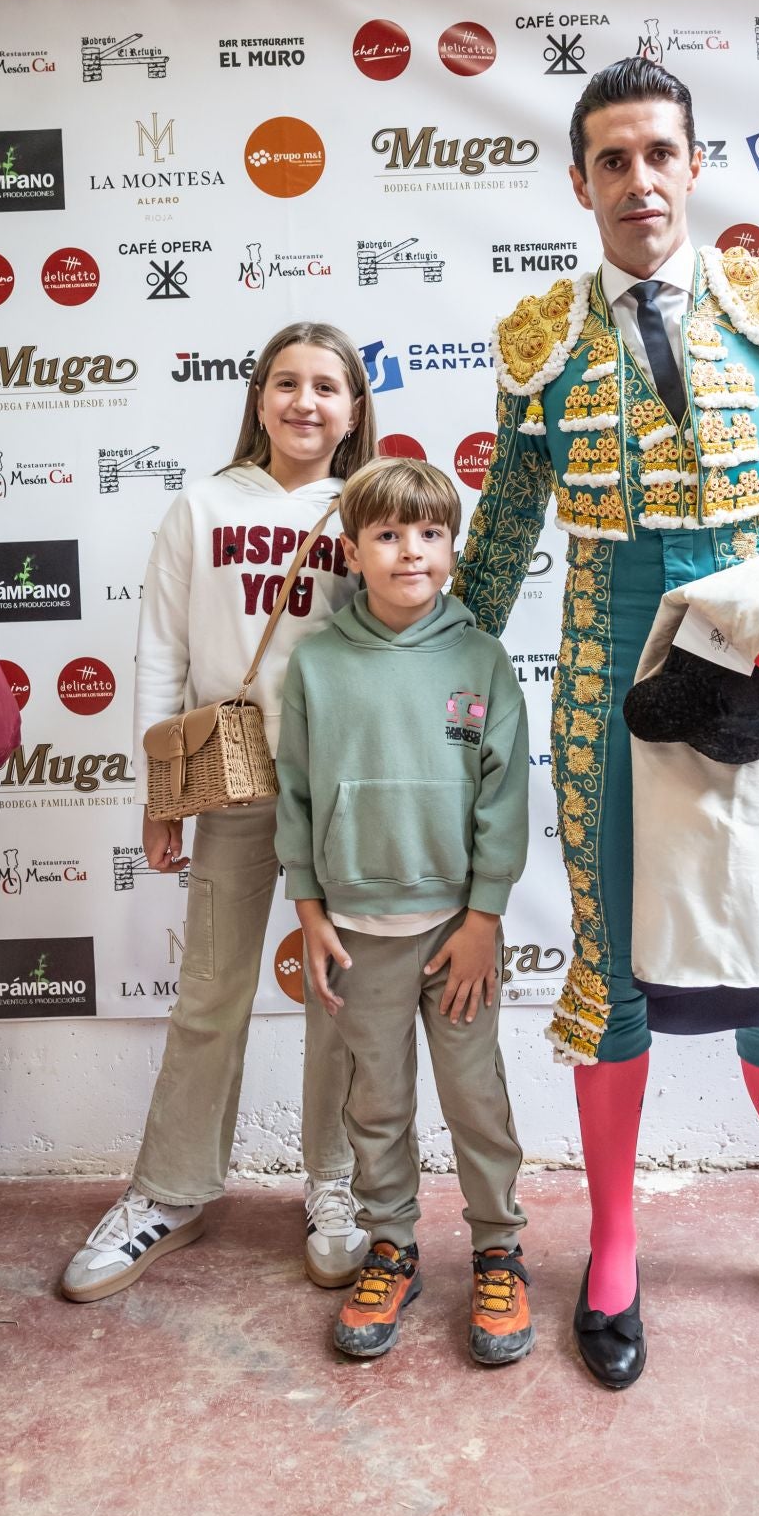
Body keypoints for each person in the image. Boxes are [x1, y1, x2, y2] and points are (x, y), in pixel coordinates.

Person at [453, 56, 759, 1389]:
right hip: (607, 673)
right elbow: (502, 532)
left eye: (660, 153)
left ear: (693, 164)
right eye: (613, 159)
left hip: (755, 655)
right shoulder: (542, 336)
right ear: (580, 180)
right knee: (613, 970)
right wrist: (421, 650)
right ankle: (613, 1250)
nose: (639, 180)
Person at [60, 323, 378, 1303]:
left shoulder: (365, 508)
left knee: (343, 995)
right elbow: (159, 649)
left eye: (326, 386)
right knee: (209, 989)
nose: (304, 403)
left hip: (342, 784)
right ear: (256, 397)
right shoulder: (200, 507)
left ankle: (336, 1184)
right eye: (285, 383)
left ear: (354, 409)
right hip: (230, 777)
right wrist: (158, 795)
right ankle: (169, 1189)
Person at [277, 458, 533, 1365]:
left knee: (474, 1095)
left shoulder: (481, 659)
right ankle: (391, 1244)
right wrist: (308, 908)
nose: (409, 552)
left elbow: (503, 800)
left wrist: (483, 920)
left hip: (455, 933)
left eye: (428, 535)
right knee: (375, 1103)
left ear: (452, 551)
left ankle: (499, 1248)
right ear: (353, 551)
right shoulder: (316, 663)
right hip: (354, 937)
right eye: (386, 535)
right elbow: (297, 795)